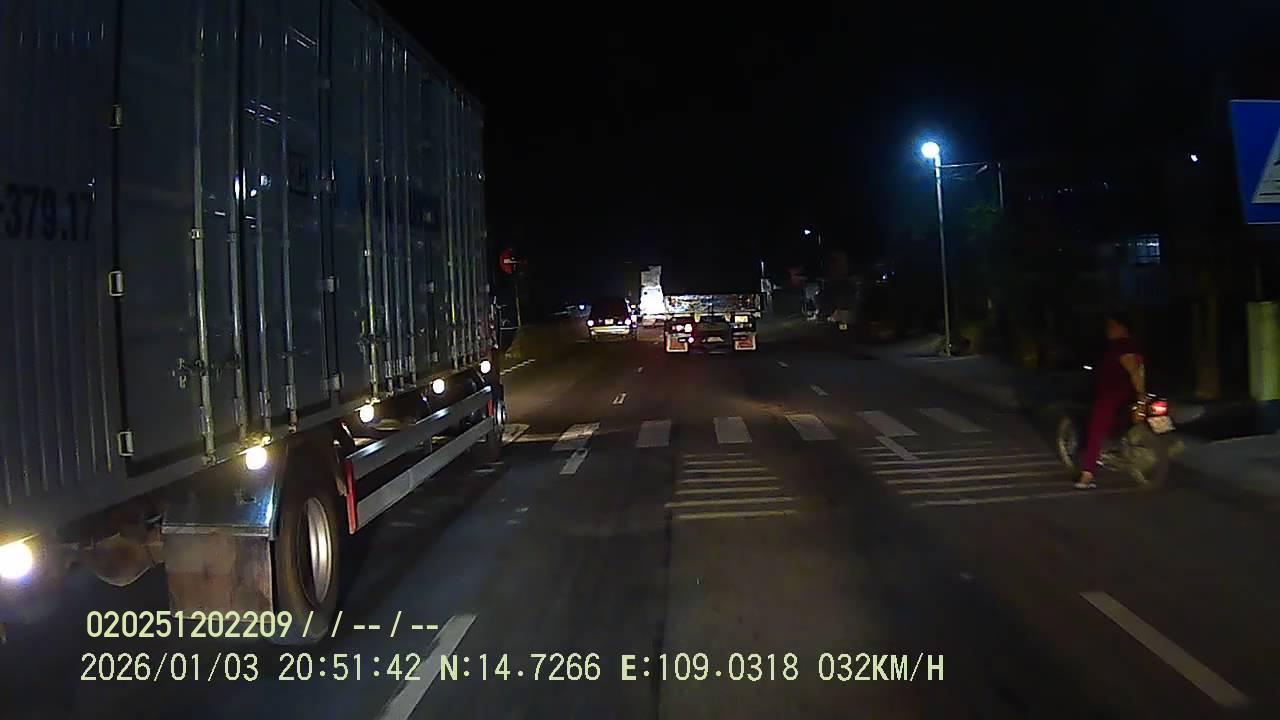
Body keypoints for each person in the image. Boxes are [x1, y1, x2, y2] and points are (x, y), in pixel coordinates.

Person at [1075, 310, 1145, 489]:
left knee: (1096, 430)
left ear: (1122, 327)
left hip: (1113, 394)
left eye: (1112, 326)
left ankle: (1087, 474)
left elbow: (1135, 373)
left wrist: (1141, 396)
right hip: (1118, 393)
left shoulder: (1123, 347)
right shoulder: (1128, 345)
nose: (1109, 329)